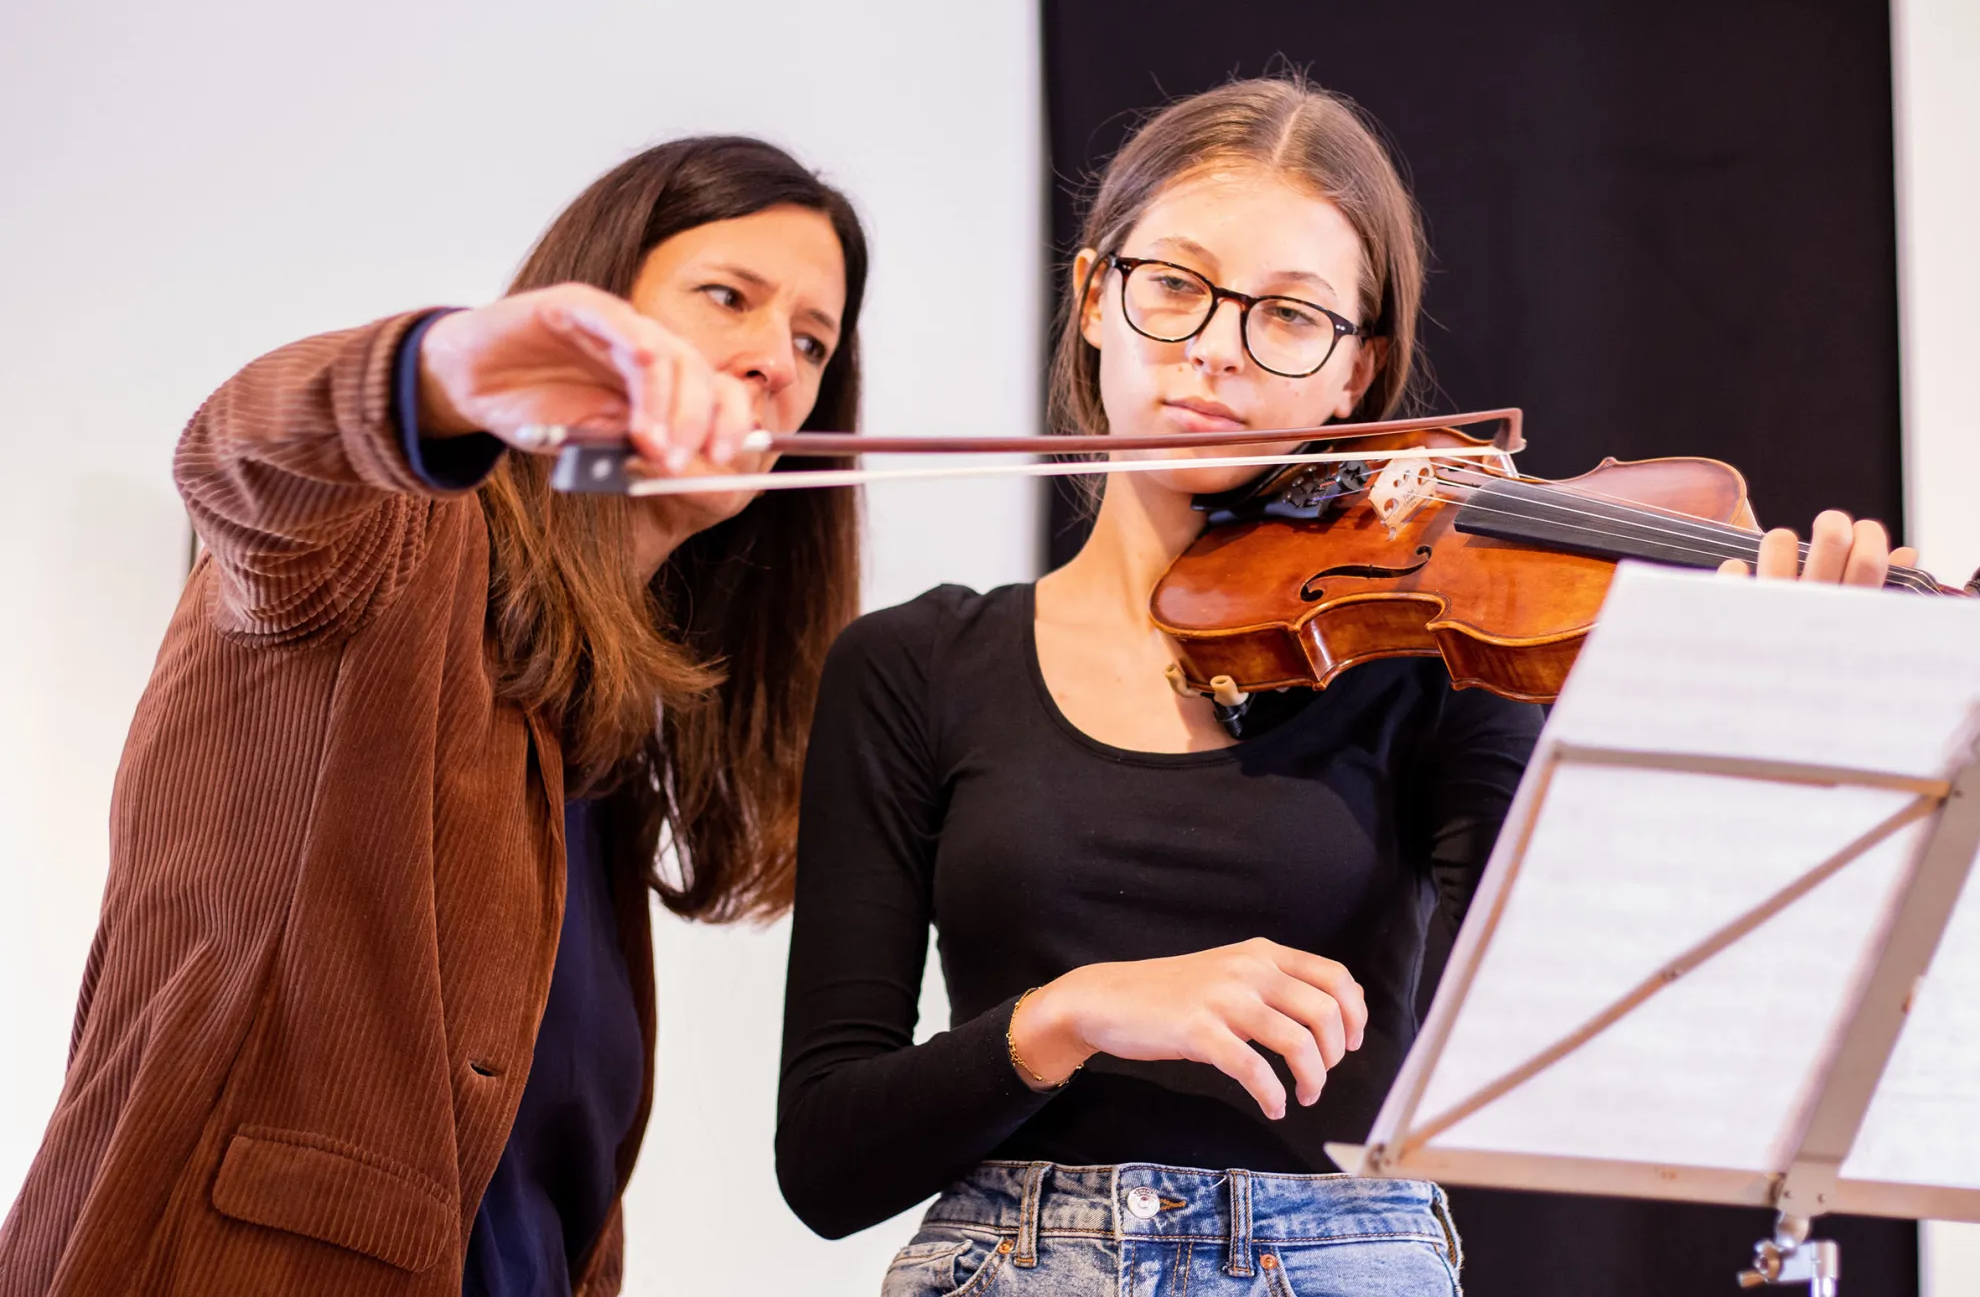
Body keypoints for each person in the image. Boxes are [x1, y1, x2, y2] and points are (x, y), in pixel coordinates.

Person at [774, 78, 1911, 1297]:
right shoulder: (913, 665)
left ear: (1355, 377)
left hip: (1344, 1263)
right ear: (1096, 294)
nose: (1216, 348)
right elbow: (830, 1159)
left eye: (1291, 317)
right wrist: (1077, 1010)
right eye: (1175, 286)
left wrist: (1791, 693)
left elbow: (1579, 1011)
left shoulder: (1430, 651)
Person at [0, 135, 866, 1297]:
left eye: (813, 340)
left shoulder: (604, 733)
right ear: (598, 307)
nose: (775, 360)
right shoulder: (401, 538)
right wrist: (448, 367)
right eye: (727, 297)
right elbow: (241, 460)